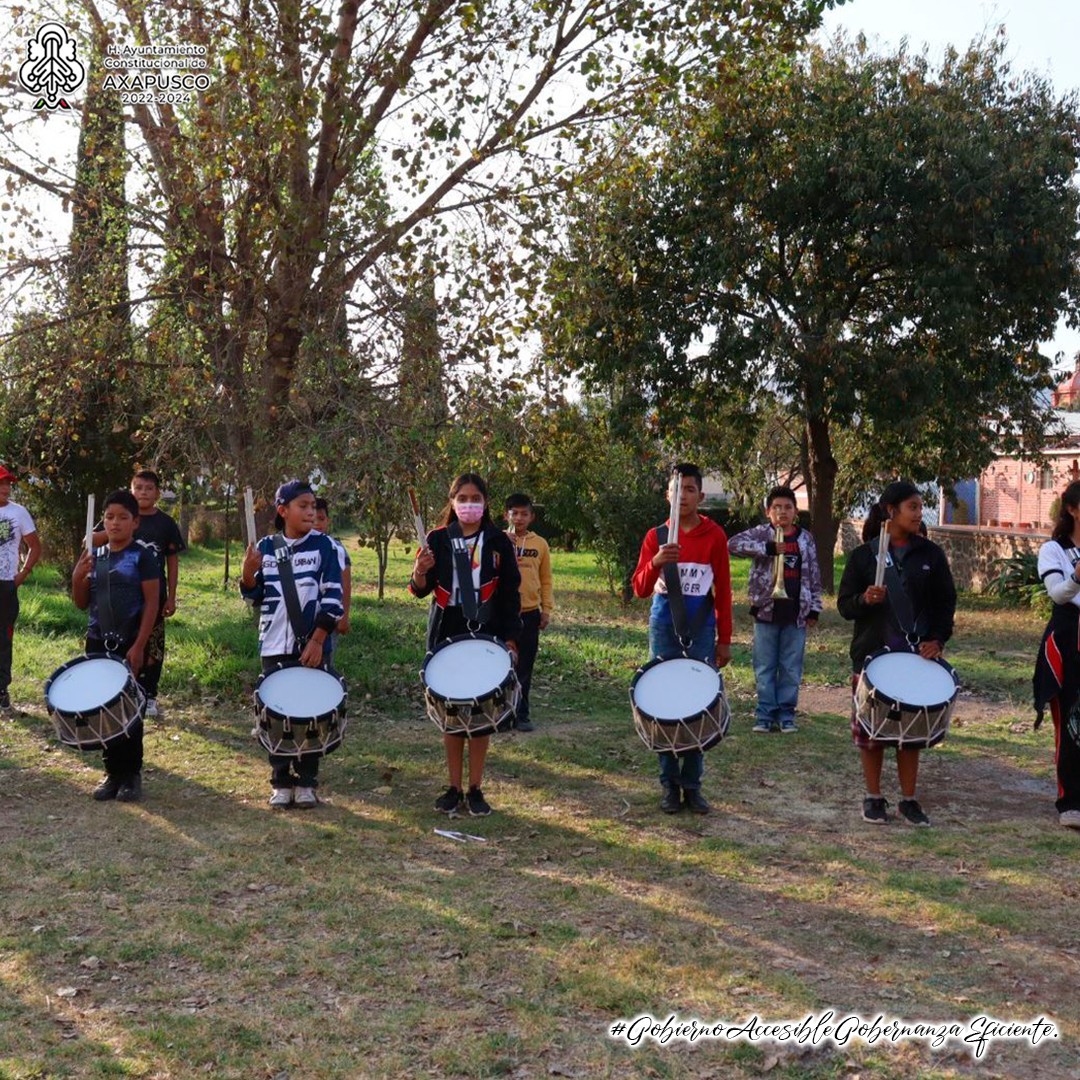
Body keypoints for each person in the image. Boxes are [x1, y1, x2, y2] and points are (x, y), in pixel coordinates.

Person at [837, 481, 956, 827]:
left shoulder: (930, 555)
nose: (919, 514)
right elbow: (845, 606)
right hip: (872, 657)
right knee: (871, 732)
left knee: (911, 734)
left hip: (915, 656)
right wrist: (865, 600)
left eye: (921, 507)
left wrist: (938, 639)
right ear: (891, 511)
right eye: (913, 507)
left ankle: (908, 800)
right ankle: (874, 796)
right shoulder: (863, 556)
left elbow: (944, 602)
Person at [410, 473, 521, 817]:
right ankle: (453, 787)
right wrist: (419, 570)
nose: (469, 504)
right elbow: (419, 590)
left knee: (480, 712)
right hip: (448, 629)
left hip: (486, 630)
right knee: (452, 712)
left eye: (476, 498)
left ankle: (475, 789)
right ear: (452, 500)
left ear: (485, 502)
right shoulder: (438, 539)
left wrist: (511, 639)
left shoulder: (498, 542)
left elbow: (509, 594)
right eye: (463, 497)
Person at [631, 463, 732, 814]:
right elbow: (640, 588)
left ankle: (693, 784)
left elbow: (723, 591)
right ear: (667, 495)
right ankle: (669, 784)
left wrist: (725, 638)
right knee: (664, 704)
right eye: (678, 489)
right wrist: (657, 561)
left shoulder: (714, 536)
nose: (684, 495)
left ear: (701, 496)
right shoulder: (655, 536)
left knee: (697, 703)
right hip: (664, 626)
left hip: (701, 628)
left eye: (691, 489)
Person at [240, 480, 344, 809]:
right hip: (273, 644)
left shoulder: (325, 547)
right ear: (283, 510)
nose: (311, 511)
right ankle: (281, 780)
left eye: (313, 506)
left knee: (310, 713)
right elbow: (254, 597)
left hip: (313, 646)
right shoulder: (266, 548)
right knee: (278, 712)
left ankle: (308, 781)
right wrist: (247, 574)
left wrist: (317, 640)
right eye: (303, 506)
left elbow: (333, 599)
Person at [71, 490, 160, 802]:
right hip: (98, 642)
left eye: (123, 517)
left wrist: (139, 645)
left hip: (131, 643)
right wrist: (77, 577)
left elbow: (153, 605)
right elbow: (81, 603)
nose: (115, 523)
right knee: (104, 709)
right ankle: (112, 773)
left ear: (135, 522)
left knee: (130, 709)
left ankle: (131, 775)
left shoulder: (143, 556)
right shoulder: (95, 557)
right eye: (109, 517)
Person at [728, 486, 822, 734]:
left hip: (796, 610)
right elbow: (733, 544)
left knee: (791, 666)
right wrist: (766, 548)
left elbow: (814, 575)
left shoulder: (805, 538)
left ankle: (786, 714)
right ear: (768, 512)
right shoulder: (761, 533)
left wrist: (814, 608)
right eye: (777, 507)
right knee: (765, 665)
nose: (782, 512)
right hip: (766, 609)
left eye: (788, 507)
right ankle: (765, 713)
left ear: (795, 512)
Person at [1033, 480, 1080, 830]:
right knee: (1071, 722)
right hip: (1069, 640)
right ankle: (1070, 801)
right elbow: (1059, 594)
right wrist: (1077, 578)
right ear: (1073, 510)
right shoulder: (1054, 551)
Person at [504, 492, 553, 732]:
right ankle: (501, 713)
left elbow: (546, 579)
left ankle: (521, 713)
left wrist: (547, 609)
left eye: (524, 513)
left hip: (530, 613)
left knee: (524, 666)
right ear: (507, 515)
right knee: (503, 664)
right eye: (514, 513)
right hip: (503, 614)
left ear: (532, 517)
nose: (519, 518)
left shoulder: (540, 544)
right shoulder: (498, 541)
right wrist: (505, 546)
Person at [0, 464, 41, 713]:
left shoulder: (19, 512)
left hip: (6, 584)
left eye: (8, 483)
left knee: (3, 638)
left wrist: (22, 574)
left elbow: (35, 546)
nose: (5, 488)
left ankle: (2, 690)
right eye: (1, 483)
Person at [314, 497, 351, 669]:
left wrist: (343, 617)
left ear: (328, 521)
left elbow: (345, 583)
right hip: (305, 618)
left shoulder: (337, 549)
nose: (316, 523)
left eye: (321, 519)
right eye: (312, 519)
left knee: (324, 661)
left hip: (330, 617)